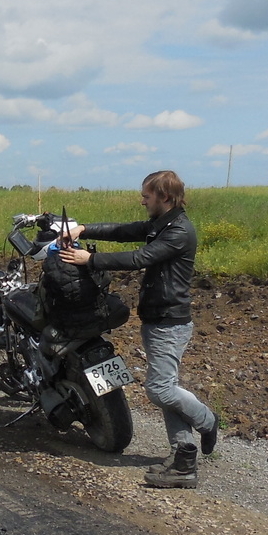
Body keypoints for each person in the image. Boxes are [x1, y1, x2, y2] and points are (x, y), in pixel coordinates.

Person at [57, 170, 218, 489]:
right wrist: (84, 228)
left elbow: (140, 258)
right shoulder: (164, 223)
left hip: (169, 323)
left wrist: (89, 259)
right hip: (157, 319)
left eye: (147, 195)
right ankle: (183, 460)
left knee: (160, 390)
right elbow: (125, 230)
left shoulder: (179, 232)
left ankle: (207, 420)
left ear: (165, 198)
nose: (142, 199)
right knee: (166, 391)